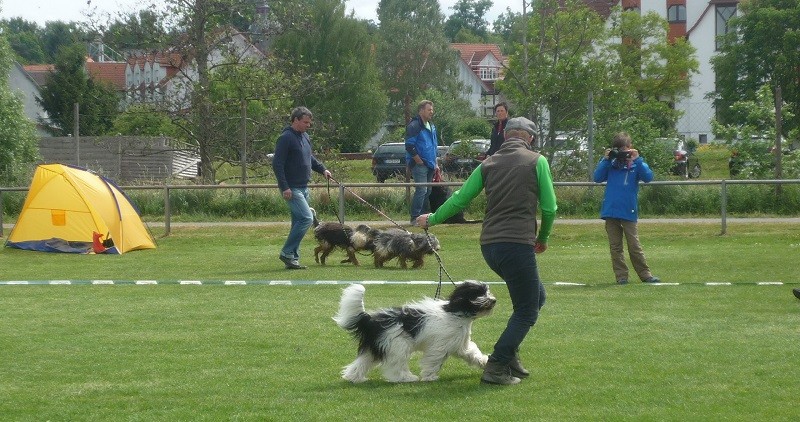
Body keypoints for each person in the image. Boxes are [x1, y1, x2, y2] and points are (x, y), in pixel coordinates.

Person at [416, 116, 557, 386]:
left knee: (537, 296)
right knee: (527, 310)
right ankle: (497, 366)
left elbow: (459, 199)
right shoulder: (537, 161)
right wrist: (543, 237)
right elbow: (550, 208)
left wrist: (432, 218)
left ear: (506, 137)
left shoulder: (488, 164)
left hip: (490, 246)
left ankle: (510, 350)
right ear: (531, 138)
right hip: (516, 244)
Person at [593, 132, 660, 285]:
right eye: (619, 150)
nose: (622, 154)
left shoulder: (636, 165)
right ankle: (621, 277)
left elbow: (648, 177)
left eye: (625, 150)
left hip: (628, 210)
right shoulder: (610, 164)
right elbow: (597, 178)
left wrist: (638, 159)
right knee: (615, 247)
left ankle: (645, 275)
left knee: (634, 245)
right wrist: (606, 159)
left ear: (630, 148)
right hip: (611, 211)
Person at [272, 106, 332, 270]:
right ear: (295, 120)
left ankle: (293, 258)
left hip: (304, 187)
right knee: (307, 218)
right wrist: (284, 187)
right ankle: (287, 252)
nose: (308, 125)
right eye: (305, 122)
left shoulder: (305, 137)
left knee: (297, 222)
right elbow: (277, 164)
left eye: (309, 122)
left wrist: (323, 169)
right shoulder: (285, 138)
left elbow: (310, 158)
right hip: (292, 188)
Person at [405, 100, 439, 225]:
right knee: (421, 190)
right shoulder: (414, 126)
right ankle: (414, 217)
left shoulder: (431, 125)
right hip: (420, 164)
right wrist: (418, 161)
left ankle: (423, 217)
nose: (431, 112)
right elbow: (409, 146)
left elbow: (434, 146)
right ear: (421, 110)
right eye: (429, 109)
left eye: (432, 109)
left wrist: (436, 163)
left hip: (430, 163)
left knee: (428, 190)